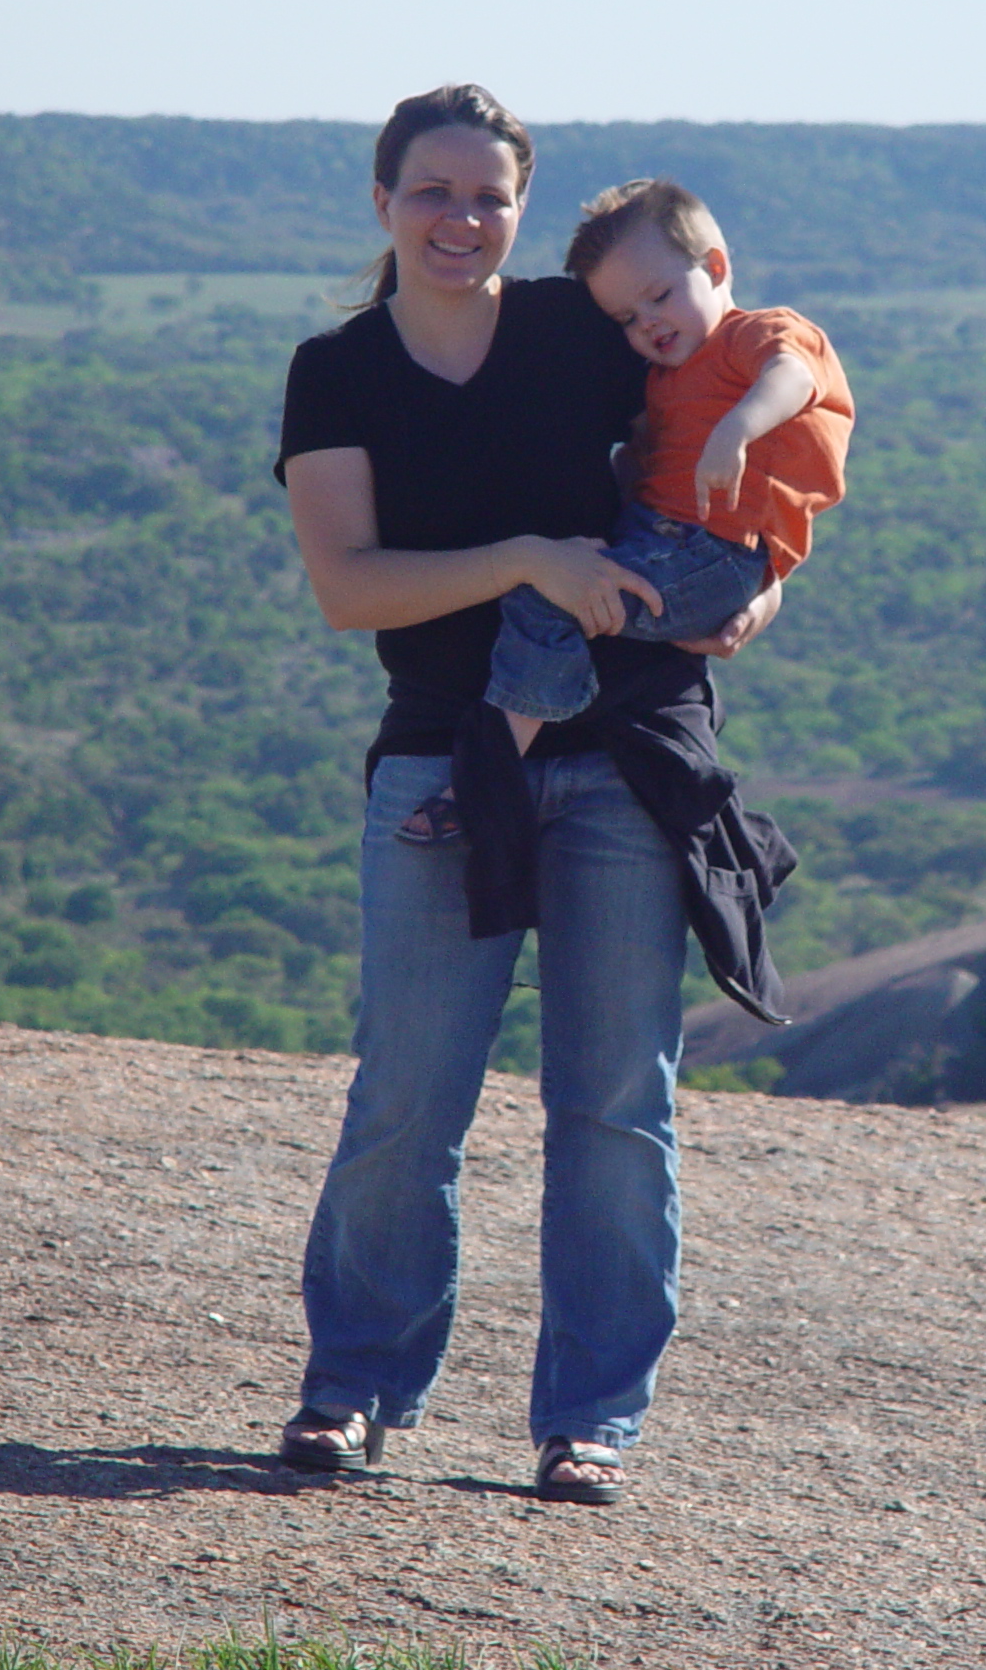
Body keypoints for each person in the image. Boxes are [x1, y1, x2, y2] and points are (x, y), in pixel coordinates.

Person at [272, 85, 787, 1507]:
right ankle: (354, 1388)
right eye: (432, 192)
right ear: (383, 202)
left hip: (628, 755)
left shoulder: (582, 330)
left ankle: (591, 1420)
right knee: (408, 1095)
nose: (460, 218)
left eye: (488, 195)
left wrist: (766, 581)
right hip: (448, 753)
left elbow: (739, 432)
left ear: (521, 207)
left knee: (617, 1104)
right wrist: (530, 561)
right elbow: (347, 588)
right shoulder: (341, 372)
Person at [397, 178, 852, 847]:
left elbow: (794, 378)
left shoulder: (756, 334)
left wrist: (737, 430)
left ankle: (484, 779)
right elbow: (646, 461)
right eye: (628, 320)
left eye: (661, 296)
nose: (650, 324)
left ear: (716, 268)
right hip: (671, 541)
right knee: (557, 572)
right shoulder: (669, 376)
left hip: (713, 550)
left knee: (549, 599)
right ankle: (550, 707)